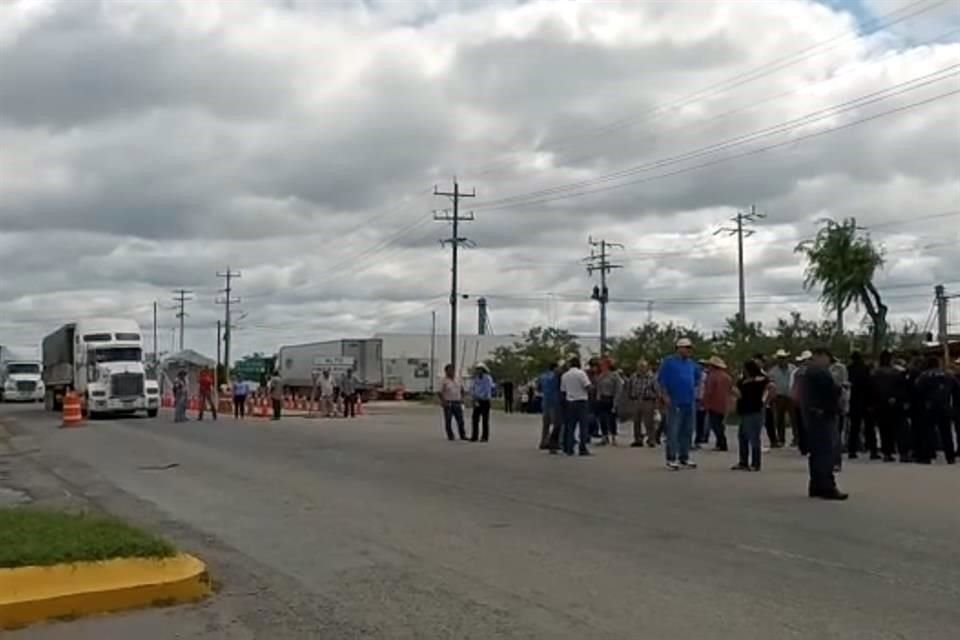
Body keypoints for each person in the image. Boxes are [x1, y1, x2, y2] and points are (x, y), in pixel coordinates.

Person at [803, 348, 848, 500]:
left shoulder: (808, 372)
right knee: (826, 451)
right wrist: (840, 389)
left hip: (813, 415)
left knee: (816, 452)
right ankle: (827, 486)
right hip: (824, 414)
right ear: (821, 356)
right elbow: (831, 391)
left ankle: (816, 485)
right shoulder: (820, 373)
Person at [657, 337, 702, 470]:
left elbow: (697, 380)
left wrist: (696, 395)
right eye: (686, 348)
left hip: (689, 401)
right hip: (675, 400)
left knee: (687, 430)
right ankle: (671, 458)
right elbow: (662, 381)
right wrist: (665, 396)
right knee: (673, 430)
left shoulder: (692, 364)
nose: (689, 351)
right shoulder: (669, 362)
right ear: (679, 348)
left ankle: (684, 457)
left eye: (690, 348)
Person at [914, 356, 957, 465]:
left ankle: (926, 457)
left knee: (928, 433)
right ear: (938, 364)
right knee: (946, 433)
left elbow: (917, 392)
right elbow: (956, 390)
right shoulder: (949, 375)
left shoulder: (923, 376)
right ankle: (950, 457)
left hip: (929, 407)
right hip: (945, 407)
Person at [732, 360, 771, 471]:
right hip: (744, 411)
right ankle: (743, 461)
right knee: (742, 437)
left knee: (754, 438)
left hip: (754, 411)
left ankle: (755, 463)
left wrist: (766, 402)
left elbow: (771, 387)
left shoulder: (760, 379)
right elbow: (739, 393)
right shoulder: (742, 380)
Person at [870, 350, 905, 462]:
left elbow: (871, 390)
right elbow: (901, 388)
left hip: (879, 404)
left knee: (884, 429)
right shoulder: (896, 372)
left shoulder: (874, 373)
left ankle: (887, 452)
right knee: (898, 429)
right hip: (894, 404)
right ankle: (902, 452)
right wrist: (895, 397)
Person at [847, 351, 878, 460]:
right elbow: (870, 386)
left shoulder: (849, 369)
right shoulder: (866, 369)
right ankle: (873, 451)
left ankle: (852, 450)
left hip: (854, 401)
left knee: (854, 428)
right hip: (866, 402)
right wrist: (871, 402)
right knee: (869, 428)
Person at [559, 356, 592, 457]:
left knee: (570, 426)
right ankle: (582, 448)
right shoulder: (581, 374)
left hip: (570, 402)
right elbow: (587, 386)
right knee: (583, 426)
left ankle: (569, 448)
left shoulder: (565, 375)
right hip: (582, 401)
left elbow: (563, 391)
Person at [624, 359, 659, 448]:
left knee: (649, 422)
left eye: (643, 367)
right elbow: (629, 388)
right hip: (636, 400)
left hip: (647, 400)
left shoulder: (652, 377)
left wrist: (656, 402)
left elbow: (657, 390)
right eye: (640, 367)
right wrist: (629, 400)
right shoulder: (633, 376)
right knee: (636, 421)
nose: (641, 368)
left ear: (647, 367)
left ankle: (651, 439)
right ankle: (638, 439)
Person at [702, 355, 732, 452]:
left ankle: (722, 443)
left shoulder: (712, 376)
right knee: (721, 424)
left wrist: (705, 402)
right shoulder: (727, 377)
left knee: (715, 424)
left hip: (714, 403)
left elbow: (709, 391)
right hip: (724, 403)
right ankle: (720, 443)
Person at [768, 349, 795, 448]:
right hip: (779, 397)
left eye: (784, 358)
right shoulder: (773, 371)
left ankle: (796, 438)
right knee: (779, 419)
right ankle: (781, 439)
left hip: (791, 396)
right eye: (780, 358)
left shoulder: (793, 368)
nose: (782, 360)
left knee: (794, 419)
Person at [595, 359, 622, 446]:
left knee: (612, 419)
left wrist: (615, 402)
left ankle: (614, 437)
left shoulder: (615, 376)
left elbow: (618, 389)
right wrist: (598, 397)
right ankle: (604, 436)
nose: (602, 367)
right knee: (602, 419)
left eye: (603, 365)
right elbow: (598, 387)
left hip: (611, 398)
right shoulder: (600, 376)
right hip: (602, 399)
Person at [438, 364, 467, 441]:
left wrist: (462, 399)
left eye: (452, 370)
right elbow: (440, 392)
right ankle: (450, 435)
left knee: (460, 420)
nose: (451, 372)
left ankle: (462, 435)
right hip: (448, 403)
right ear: (446, 371)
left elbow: (463, 390)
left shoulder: (458, 379)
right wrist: (443, 402)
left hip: (457, 402)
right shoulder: (443, 381)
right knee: (448, 420)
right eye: (449, 370)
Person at [537, 363, 561, 450]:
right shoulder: (556, 376)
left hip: (545, 401)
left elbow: (539, 388)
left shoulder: (542, 376)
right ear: (555, 368)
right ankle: (554, 442)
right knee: (557, 424)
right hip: (555, 402)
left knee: (546, 424)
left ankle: (543, 442)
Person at [469, 363, 495, 442]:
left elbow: (487, 389)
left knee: (485, 419)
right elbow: (472, 388)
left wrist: (481, 396)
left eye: (480, 369)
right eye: (477, 369)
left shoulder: (487, 378)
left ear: (483, 370)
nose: (478, 371)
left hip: (485, 400)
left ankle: (484, 437)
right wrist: (474, 397)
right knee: (475, 419)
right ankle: (474, 436)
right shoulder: (475, 378)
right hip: (477, 400)